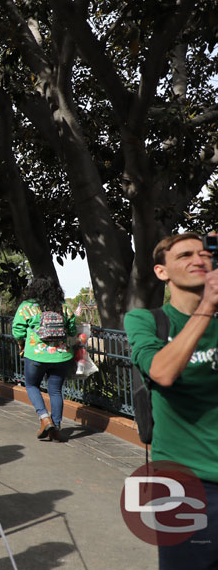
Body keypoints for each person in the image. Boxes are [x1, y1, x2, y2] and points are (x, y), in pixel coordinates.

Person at [125, 232, 218, 569]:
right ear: (161, 272)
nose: (198, 260)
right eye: (184, 256)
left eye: (204, 254)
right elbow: (162, 371)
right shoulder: (146, 320)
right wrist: (208, 305)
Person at [13, 277, 76, 440]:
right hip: (61, 356)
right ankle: (56, 427)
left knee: (32, 385)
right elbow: (72, 330)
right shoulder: (63, 307)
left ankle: (44, 417)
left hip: (36, 355)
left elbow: (17, 331)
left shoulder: (27, 307)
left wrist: (22, 343)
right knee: (55, 391)